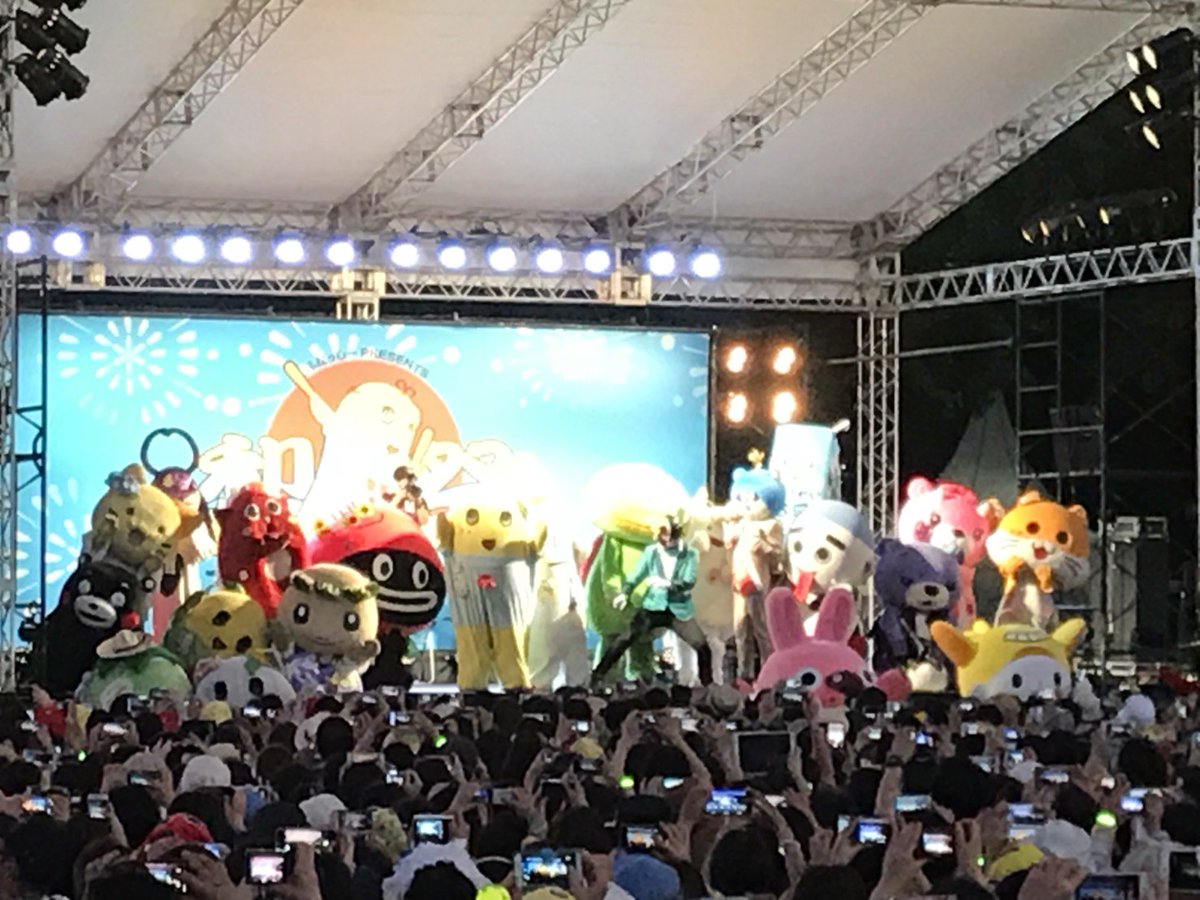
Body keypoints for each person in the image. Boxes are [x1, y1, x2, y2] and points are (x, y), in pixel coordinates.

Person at [591, 516, 712, 685]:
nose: (659, 537)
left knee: (703, 648)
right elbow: (636, 575)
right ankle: (597, 676)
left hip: (678, 609)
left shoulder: (690, 554)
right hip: (653, 606)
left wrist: (666, 583)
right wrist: (624, 593)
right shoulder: (651, 552)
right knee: (624, 639)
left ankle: (708, 686)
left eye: (663, 533)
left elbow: (689, 581)